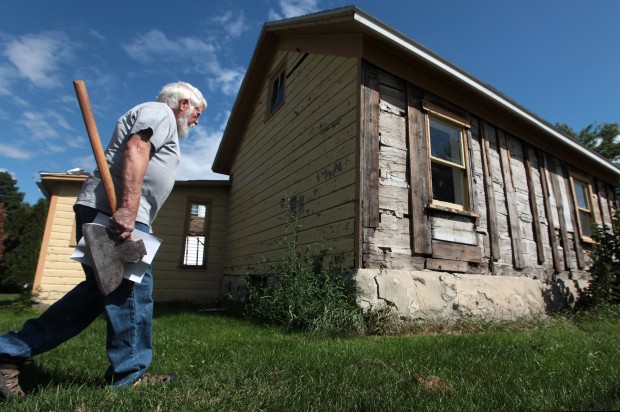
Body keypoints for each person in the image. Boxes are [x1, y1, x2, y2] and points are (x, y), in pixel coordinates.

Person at [0, 81, 206, 399]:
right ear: (183, 104)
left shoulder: (160, 117)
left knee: (100, 294)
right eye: (197, 113)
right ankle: (128, 375)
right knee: (131, 293)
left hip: (114, 209)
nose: (196, 120)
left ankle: (9, 351)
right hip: (114, 210)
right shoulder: (161, 113)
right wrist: (127, 207)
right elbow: (137, 146)